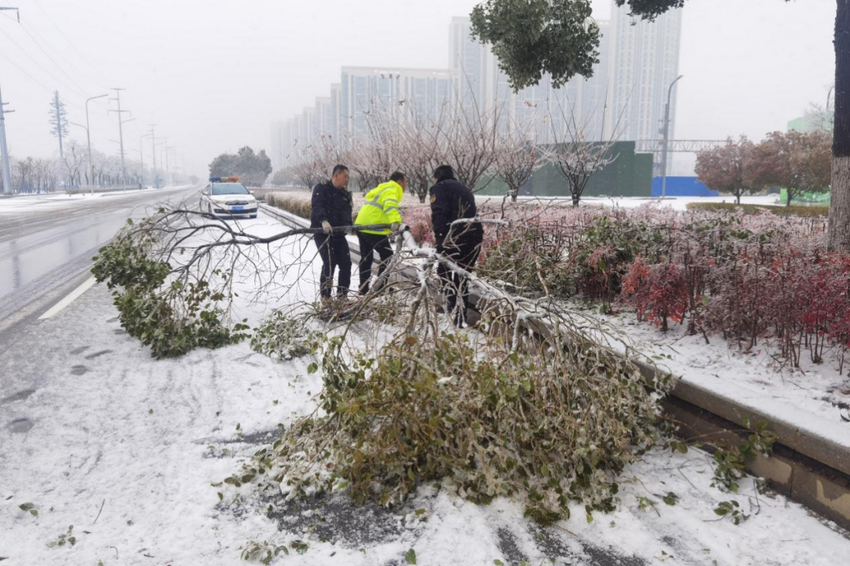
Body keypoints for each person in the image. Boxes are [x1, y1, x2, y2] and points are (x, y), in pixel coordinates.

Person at [429, 165, 483, 327]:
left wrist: (440, 239)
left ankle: (452, 308)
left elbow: (439, 213)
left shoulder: (438, 188)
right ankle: (460, 316)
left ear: (436, 178)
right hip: (474, 235)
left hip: (454, 236)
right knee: (461, 276)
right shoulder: (464, 188)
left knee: (443, 271)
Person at [353, 171, 406, 294]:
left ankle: (363, 288)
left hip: (361, 224)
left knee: (366, 258)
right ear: (400, 182)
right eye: (405, 182)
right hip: (373, 227)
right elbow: (390, 205)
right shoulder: (393, 188)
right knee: (387, 256)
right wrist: (396, 221)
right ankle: (380, 287)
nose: (405, 186)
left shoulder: (382, 188)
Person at [311, 165, 353, 300]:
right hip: (322, 233)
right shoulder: (321, 188)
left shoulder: (345, 194)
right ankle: (326, 297)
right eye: (345, 176)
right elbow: (317, 205)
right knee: (330, 262)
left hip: (338, 234)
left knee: (346, 263)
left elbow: (347, 212)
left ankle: (342, 296)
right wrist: (323, 220)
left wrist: (348, 225)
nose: (347, 180)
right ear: (336, 176)